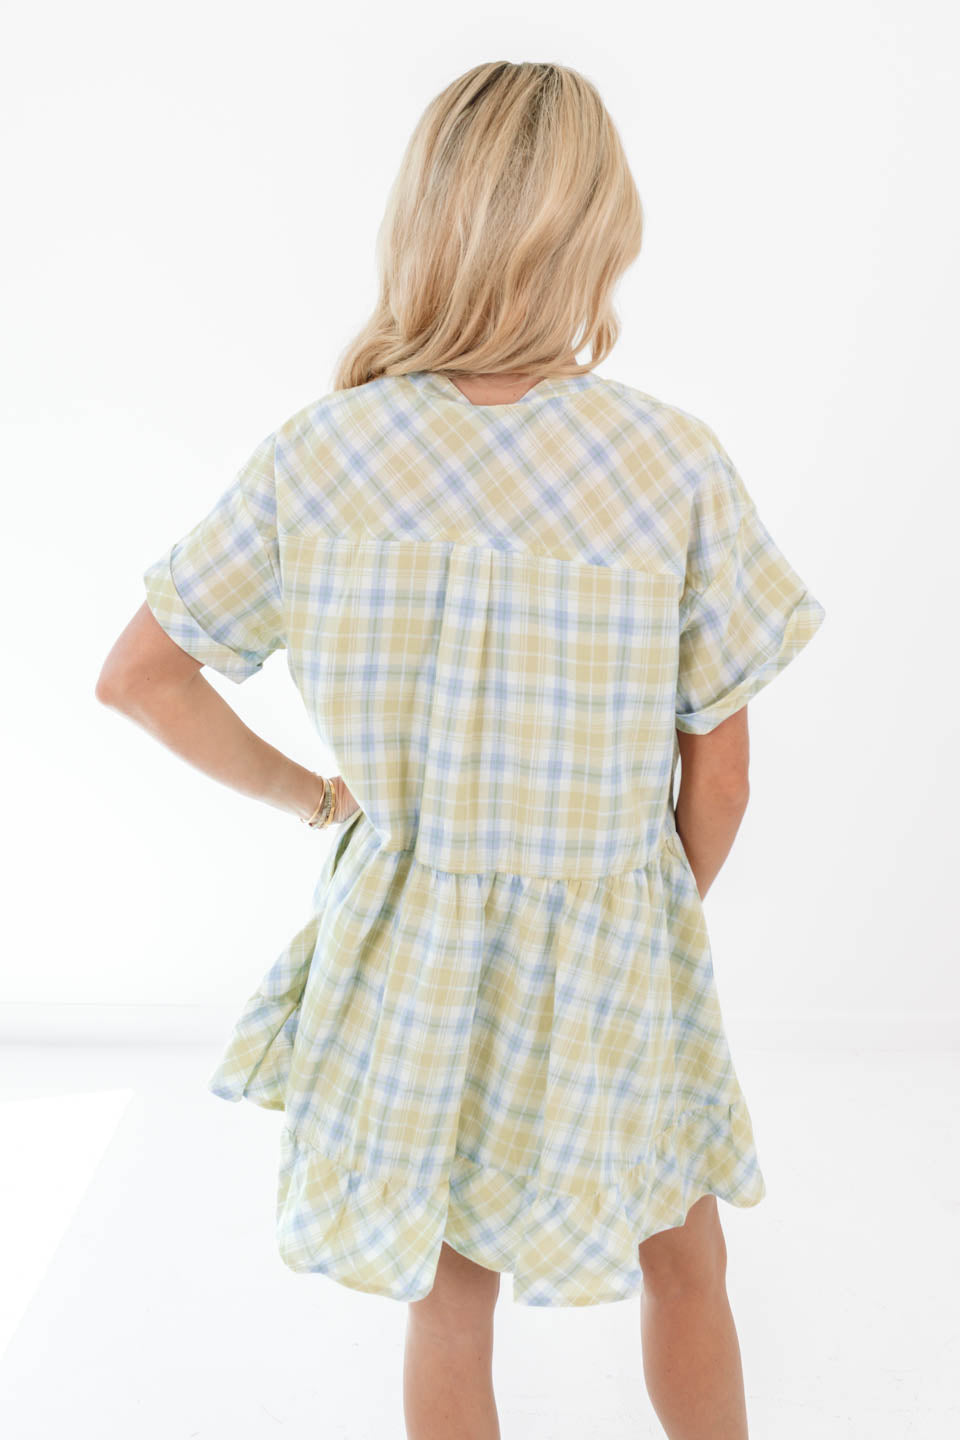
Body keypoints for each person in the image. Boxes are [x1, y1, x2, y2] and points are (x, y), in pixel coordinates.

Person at [96, 60, 826, 1440]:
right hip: (615, 945)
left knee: (447, 1304)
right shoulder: (671, 462)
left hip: (410, 948)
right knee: (685, 1263)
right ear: (603, 229)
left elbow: (139, 676)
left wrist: (319, 798)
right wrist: (646, 913)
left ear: (423, 220)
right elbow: (722, 777)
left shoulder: (322, 453)